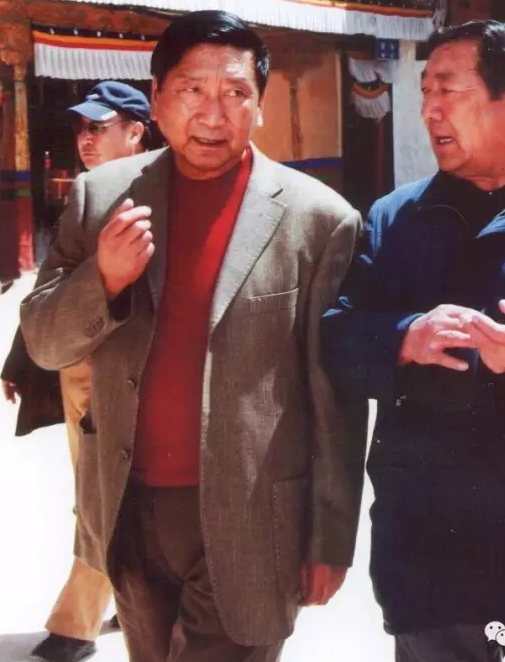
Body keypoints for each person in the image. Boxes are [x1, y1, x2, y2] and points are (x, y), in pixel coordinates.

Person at [20, 10, 365, 662]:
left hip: (254, 519)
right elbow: (44, 342)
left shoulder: (319, 221)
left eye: (235, 92)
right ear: (156, 100)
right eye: (191, 90)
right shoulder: (101, 199)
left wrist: (330, 537)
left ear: (260, 104)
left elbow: (335, 398)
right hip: (130, 511)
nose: (213, 113)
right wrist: (103, 280)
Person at [321, 19, 505, 662]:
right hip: (431, 560)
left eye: (448, 90)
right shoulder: (396, 218)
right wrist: (404, 338)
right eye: (425, 92)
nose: (429, 109)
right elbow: (337, 339)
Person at [2, 80, 150, 662]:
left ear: (136, 132)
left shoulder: (150, 194)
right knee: (97, 489)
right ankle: (122, 595)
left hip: (126, 370)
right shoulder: (87, 194)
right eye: (81, 128)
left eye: (99, 127)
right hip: (79, 366)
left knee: (104, 493)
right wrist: (22, 358)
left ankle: (77, 624)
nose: (85, 139)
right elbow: (53, 287)